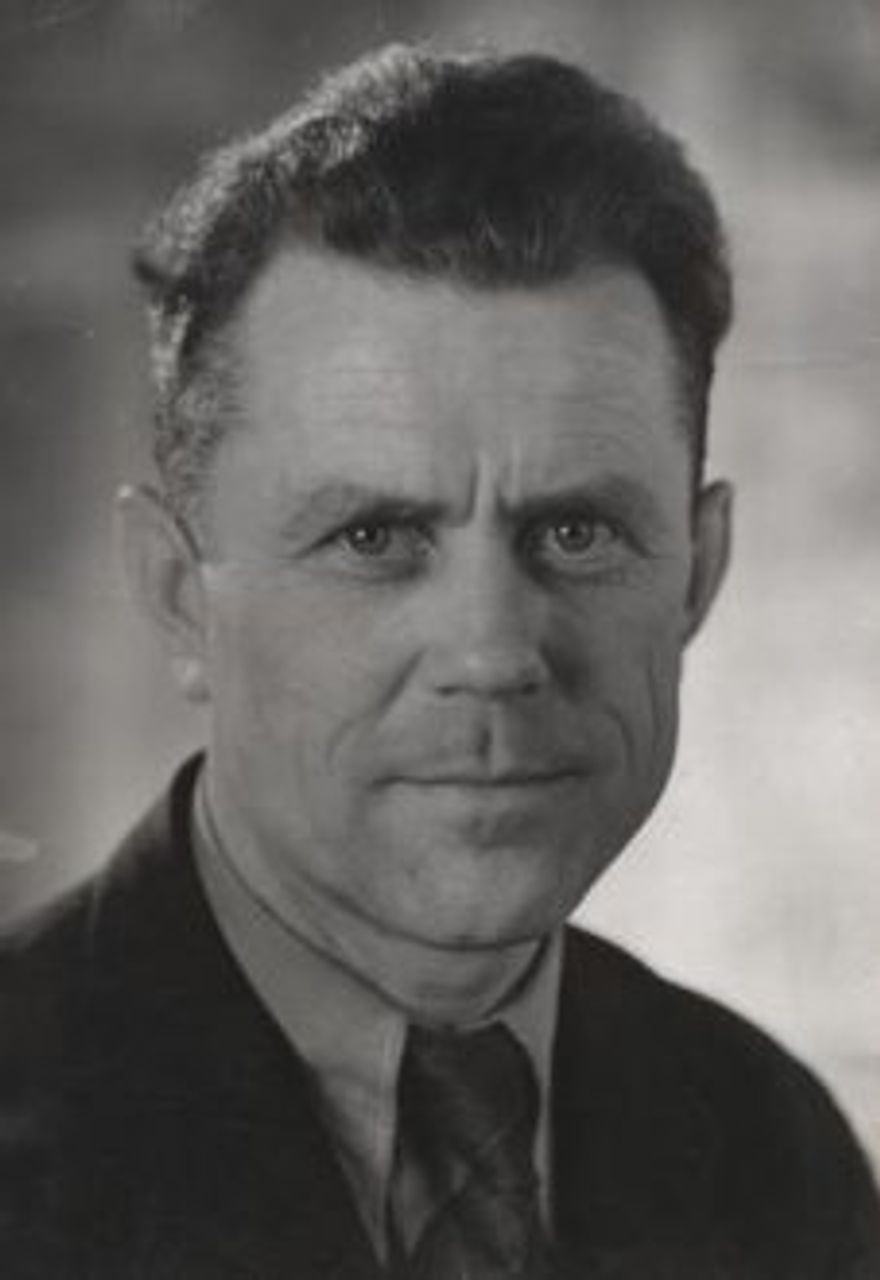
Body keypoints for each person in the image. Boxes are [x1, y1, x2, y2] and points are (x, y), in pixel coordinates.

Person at [1, 43, 878, 1280]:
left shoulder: (771, 1144)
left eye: (576, 531)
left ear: (696, 573)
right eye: (375, 536)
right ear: (178, 593)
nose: (494, 652)